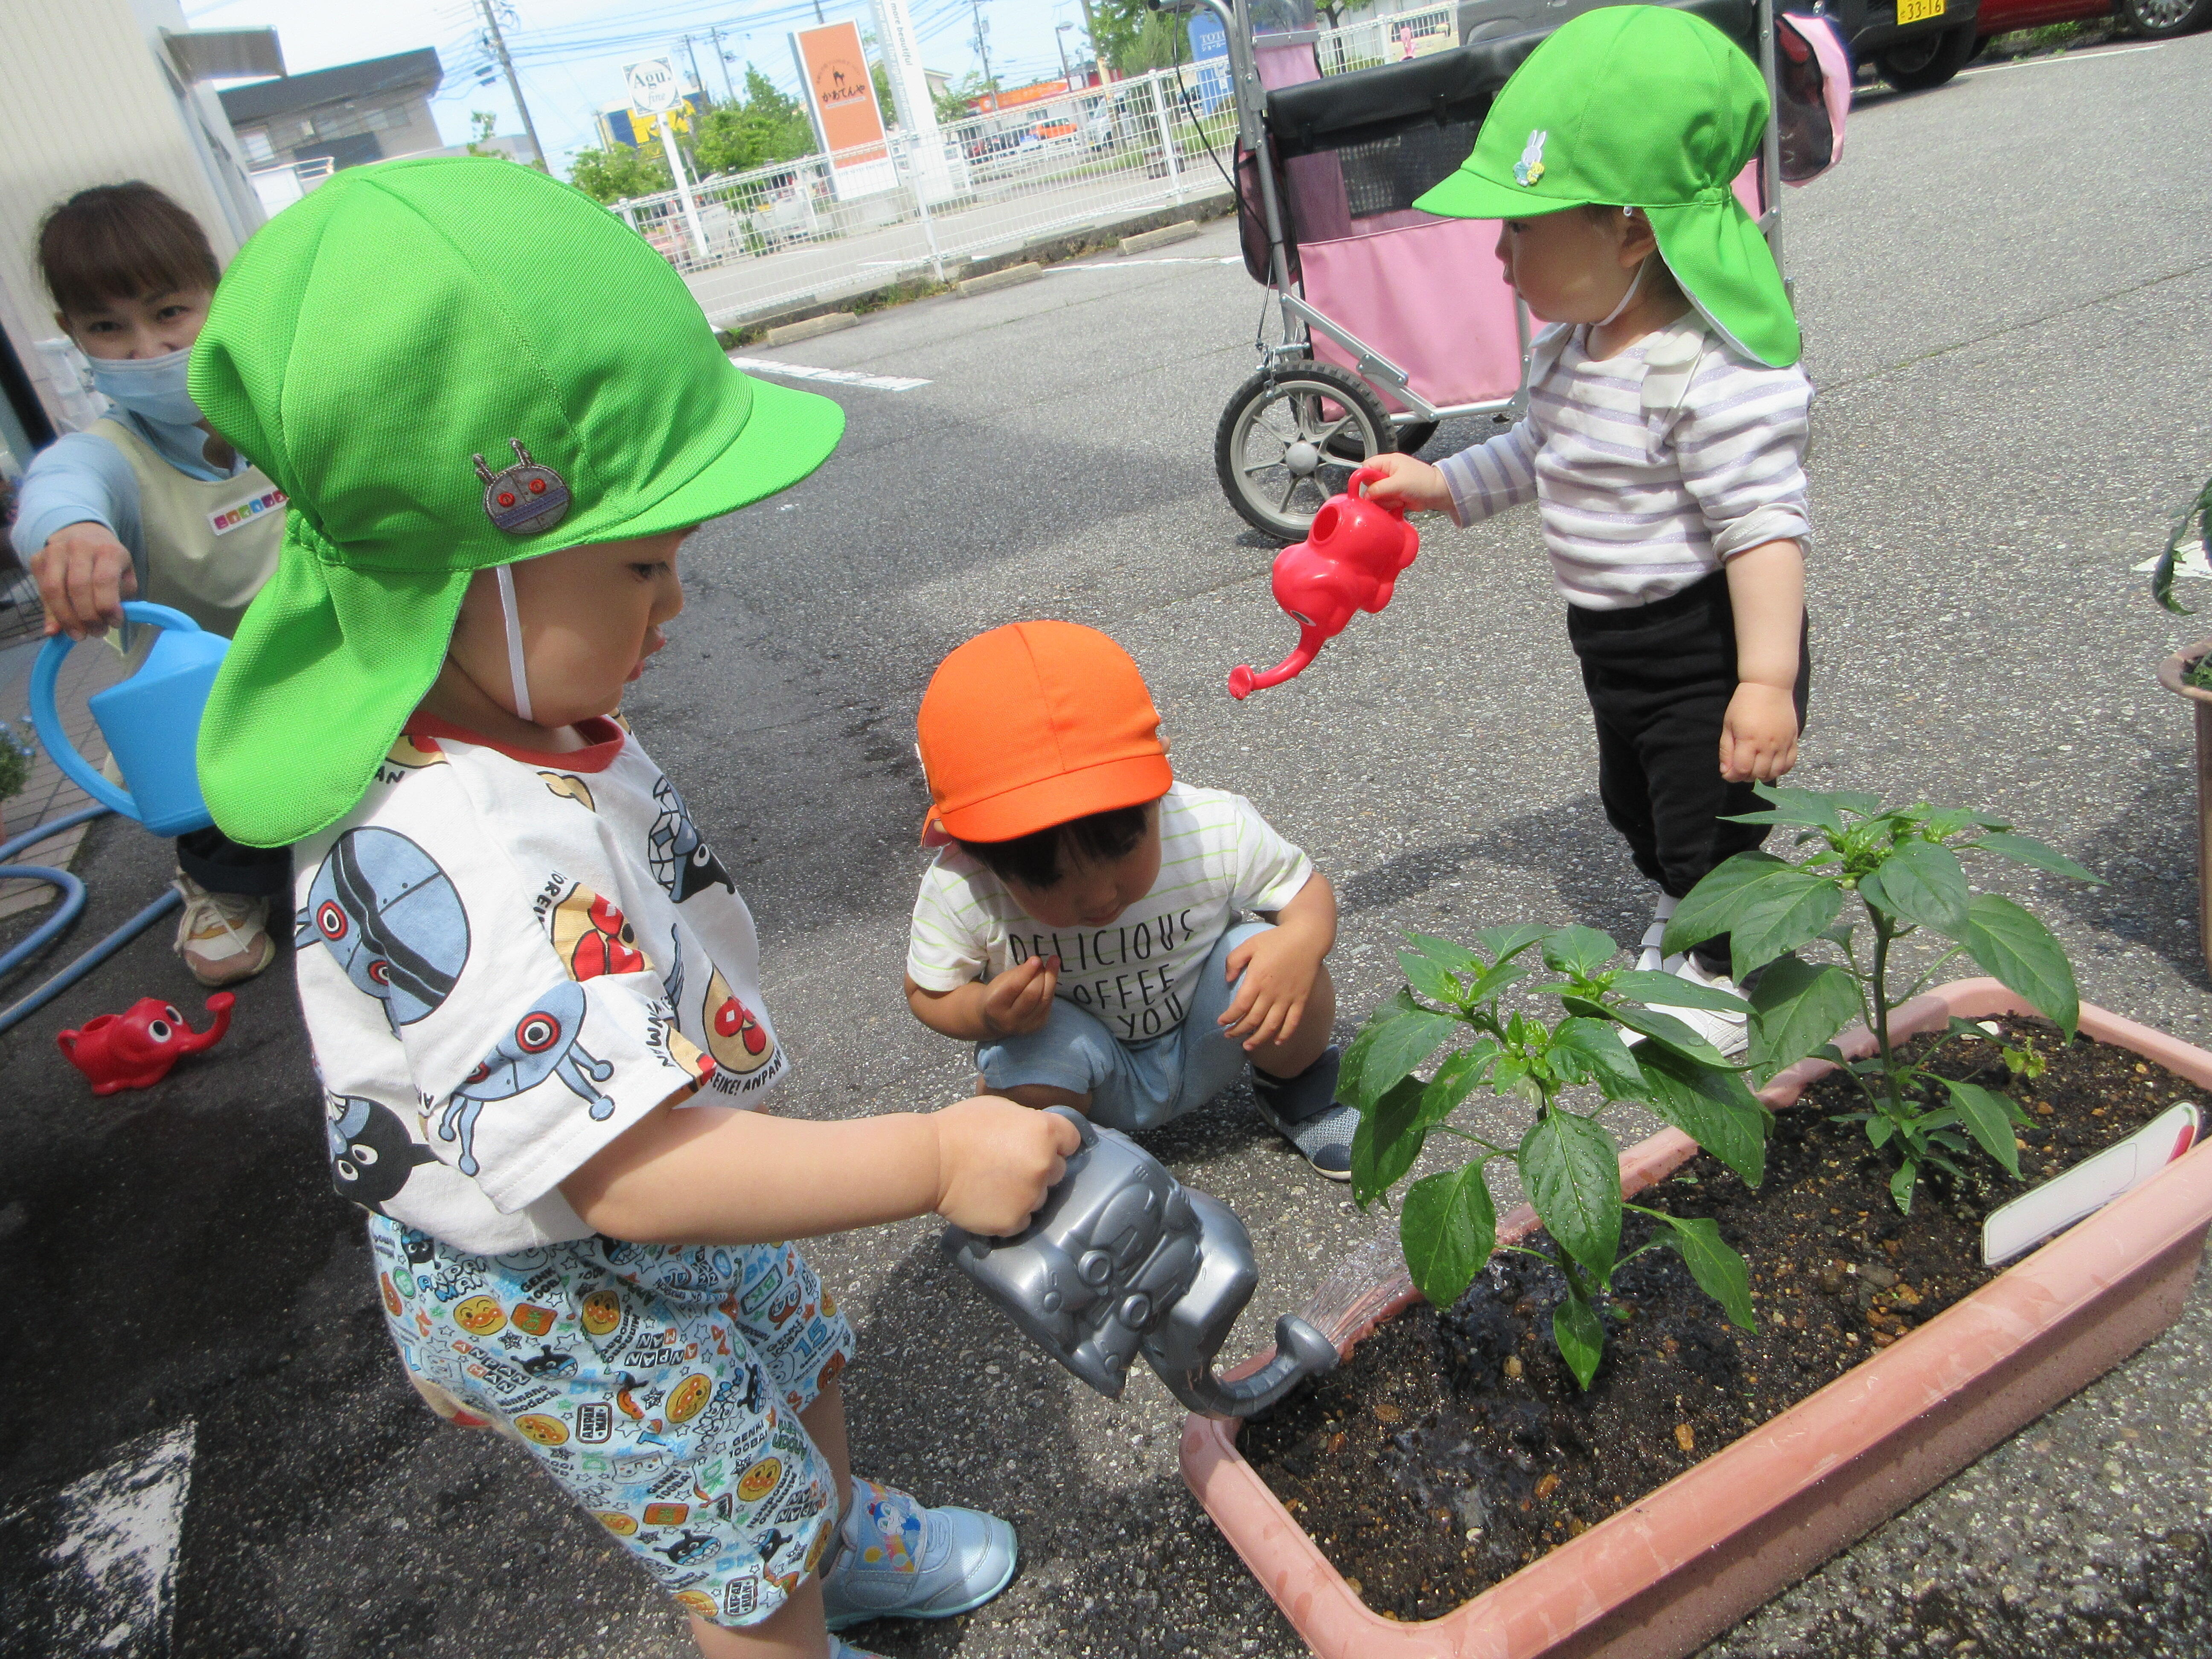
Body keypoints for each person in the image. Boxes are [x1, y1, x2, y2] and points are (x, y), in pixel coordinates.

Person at [187, 157, 1080, 1659]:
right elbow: (626, 1181)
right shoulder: (453, 840)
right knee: (738, 1546)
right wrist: (933, 1151)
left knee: (799, 1346)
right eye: (643, 566)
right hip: (545, 1273)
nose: (677, 603)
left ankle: (837, 1534)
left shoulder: (518, 701)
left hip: (634, 1146)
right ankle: (793, 1600)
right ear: (467, 574)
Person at [1358, 6, 1813, 1052]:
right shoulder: (1577, 349)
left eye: (1524, 226)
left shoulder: (1706, 375)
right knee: (1639, 806)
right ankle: (1680, 905)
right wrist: (1443, 484)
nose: (1500, 256)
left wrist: (1765, 681)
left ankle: (1716, 971)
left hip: (1705, 645)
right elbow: (1541, 451)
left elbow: (1762, 528)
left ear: (1633, 228)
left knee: (1710, 826)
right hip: (1613, 643)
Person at [902, 621, 1354, 1177]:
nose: (1097, 894)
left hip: (1210, 1030)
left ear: (1160, 781)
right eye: (1049, 878)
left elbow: (1306, 894)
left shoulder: (1210, 827)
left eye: (1121, 848)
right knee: (1021, 1054)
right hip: (1085, 1069)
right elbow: (928, 989)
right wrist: (983, 1013)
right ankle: (1064, 1159)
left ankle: (1296, 1089)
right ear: (971, 848)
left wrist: (1301, 941)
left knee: (1274, 955)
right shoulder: (962, 884)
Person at [9, 182, 288, 985]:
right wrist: (70, 531)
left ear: (220, 297)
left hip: (341, 675)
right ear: (72, 335)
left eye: (170, 312)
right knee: (230, 821)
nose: (146, 348)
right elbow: (62, 481)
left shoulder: (282, 410)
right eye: (108, 327)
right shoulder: (110, 455)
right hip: (218, 725)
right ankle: (216, 878)